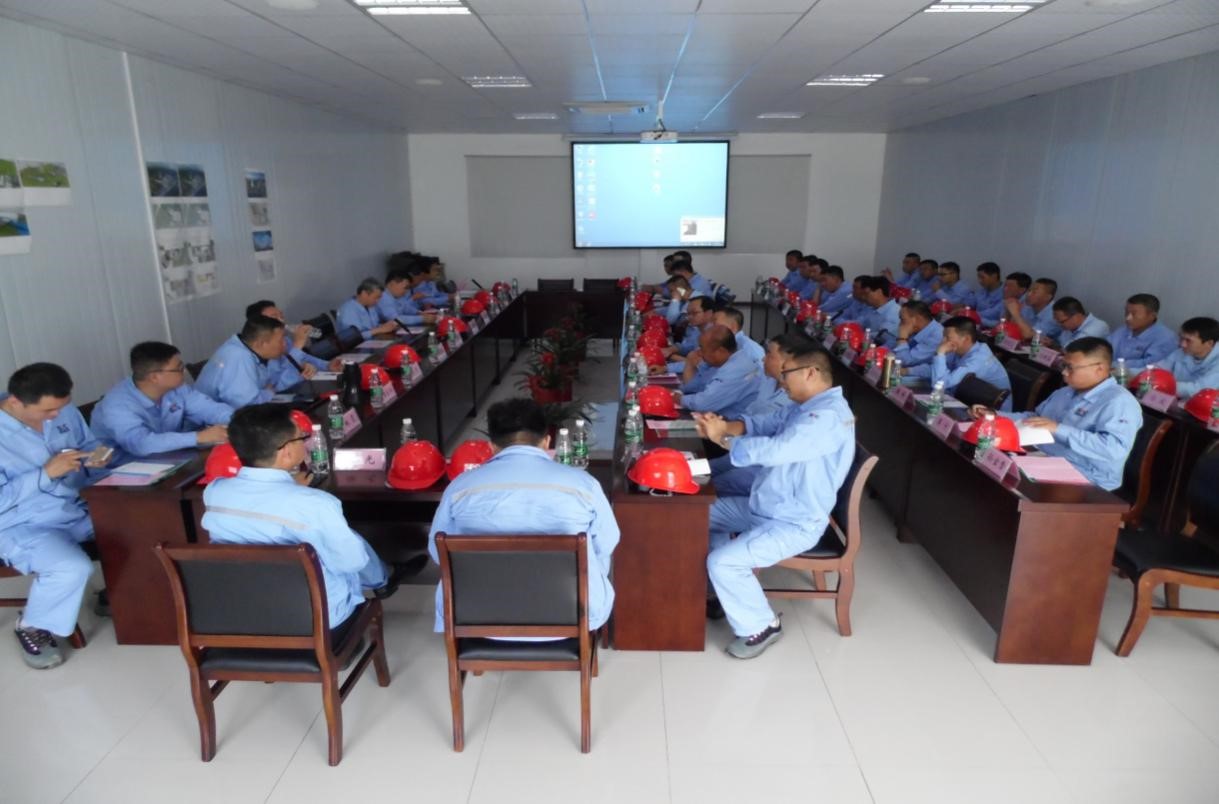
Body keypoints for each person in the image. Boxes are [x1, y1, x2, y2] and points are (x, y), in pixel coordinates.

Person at [695, 344, 855, 659]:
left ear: (811, 373)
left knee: (723, 562)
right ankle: (719, 592)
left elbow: (777, 450)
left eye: (787, 374)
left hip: (794, 521)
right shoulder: (805, 407)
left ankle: (763, 626)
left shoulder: (827, 418)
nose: (782, 381)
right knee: (698, 515)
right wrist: (724, 426)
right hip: (767, 506)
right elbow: (763, 424)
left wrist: (723, 439)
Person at [202, 405, 405, 630]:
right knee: (345, 546)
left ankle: (382, 576)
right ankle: (381, 580)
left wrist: (290, 488)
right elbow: (352, 563)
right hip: (312, 618)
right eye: (302, 438)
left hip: (244, 612)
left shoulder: (215, 492)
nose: (305, 442)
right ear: (286, 451)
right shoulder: (316, 504)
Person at [427, 398, 618, 634]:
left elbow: (438, 552)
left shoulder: (459, 488)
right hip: (571, 618)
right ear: (547, 441)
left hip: (474, 619)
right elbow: (606, 544)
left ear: (492, 446)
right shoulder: (583, 486)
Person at [1, 363, 108, 669]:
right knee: (71, 568)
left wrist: (96, 457)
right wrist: (45, 474)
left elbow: (88, 444)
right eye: (48, 411)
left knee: (139, 525)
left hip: (74, 506)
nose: (56, 415)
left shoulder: (63, 410)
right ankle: (31, 625)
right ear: (15, 402)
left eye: (62, 407)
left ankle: (117, 595)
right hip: (20, 524)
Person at [993, 338, 1141, 491]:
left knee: (1010, 485)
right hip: (1047, 459)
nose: (1064, 372)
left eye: (1070, 367)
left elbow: (1113, 449)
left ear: (1099, 369)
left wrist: (1058, 429)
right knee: (994, 465)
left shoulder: (1119, 402)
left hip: (1089, 477)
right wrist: (994, 416)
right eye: (1063, 366)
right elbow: (1036, 419)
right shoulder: (1066, 392)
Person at [91, 342, 232, 456]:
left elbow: (211, 410)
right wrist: (199, 437)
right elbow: (140, 444)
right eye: (178, 369)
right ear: (154, 377)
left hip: (170, 458)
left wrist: (237, 420)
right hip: (123, 470)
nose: (184, 372)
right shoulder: (117, 404)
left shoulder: (177, 388)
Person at [709, 332, 803, 497]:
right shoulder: (767, 380)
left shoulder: (797, 398)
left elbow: (771, 444)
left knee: (712, 485)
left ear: (787, 361)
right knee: (704, 469)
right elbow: (752, 416)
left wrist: (724, 437)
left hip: (763, 465)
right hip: (742, 445)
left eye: (770, 355)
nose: (763, 359)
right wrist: (723, 425)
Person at [906, 316, 1012, 410]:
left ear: (966, 339)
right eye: (943, 337)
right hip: (966, 399)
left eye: (948, 337)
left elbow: (940, 385)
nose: (943, 342)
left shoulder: (978, 360)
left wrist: (940, 353)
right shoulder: (959, 349)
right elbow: (937, 369)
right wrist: (907, 371)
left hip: (992, 411)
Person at [195, 315, 288, 408]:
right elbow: (247, 405)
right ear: (262, 344)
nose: (285, 344)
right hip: (215, 416)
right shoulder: (239, 356)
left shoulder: (245, 349)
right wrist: (269, 393)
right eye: (281, 340)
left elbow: (269, 383)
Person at [246, 300, 342, 387]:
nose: (281, 320)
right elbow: (277, 386)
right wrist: (298, 345)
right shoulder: (262, 350)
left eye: (281, 316)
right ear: (260, 325)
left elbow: (305, 358)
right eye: (274, 317)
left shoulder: (286, 340)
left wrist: (327, 365)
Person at [677, 325, 762, 418]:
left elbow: (703, 403)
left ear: (720, 351)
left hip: (734, 422)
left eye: (702, 349)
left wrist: (678, 399)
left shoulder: (735, 370)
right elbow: (697, 386)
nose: (699, 353)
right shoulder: (726, 361)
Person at [1107, 293, 1178, 372]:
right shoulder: (1123, 330)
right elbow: (1105, 348)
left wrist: (1116, 365)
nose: (1128, 318)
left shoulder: (1165, 337)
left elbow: (1152, 365)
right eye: (1127, 312)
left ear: (1152, 316)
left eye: (1134, 314)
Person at [1160, 317, 1219, 399]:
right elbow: (1158, 368)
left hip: (1200, 404)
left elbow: (1200, 390)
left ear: (1209, 343)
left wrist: (1161, 383)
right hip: (1173, 399)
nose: (1182, 344)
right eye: (1181, 338)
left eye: (1188, 340)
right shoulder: (1182, 352)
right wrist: (1145, 375)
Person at [336, 278, 400, 340]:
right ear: (364, 294)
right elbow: (353, 337)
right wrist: (379, 330)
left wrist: (385, 326)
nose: (377, 301)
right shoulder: (348, 310)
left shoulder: (369, 306)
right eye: (376, 297)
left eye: (379, 298)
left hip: (373, 341)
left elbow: (372, 326)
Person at [1004, 277, 1061, 342]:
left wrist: (1015, 314)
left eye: (1034, 292)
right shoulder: (1027, 302)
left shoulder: (1053, 315)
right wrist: (1008, 310)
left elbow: (1028, 335)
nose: (1028, 294)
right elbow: (1008, 326)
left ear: (1047, 297)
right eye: (1029, 290)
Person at [892, 300, 944, 368]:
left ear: (918, 319)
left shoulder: (937, 336)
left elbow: (903, 361)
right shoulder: (916, 330)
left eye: (903, 320)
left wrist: (902, 337)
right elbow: (891, 346)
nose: (900, 324)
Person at [857, 276, 900, 346]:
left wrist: (858, 335)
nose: (864, 297)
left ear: (879, 292)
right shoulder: (872, 308)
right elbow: (859, 323)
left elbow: (881, 337)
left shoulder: (894, 312)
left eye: (867, 293)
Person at [969, 262, 1004, 327]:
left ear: (994, 276)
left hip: (995, 329)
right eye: (978, 277)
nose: (979, 281)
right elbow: (970, 303)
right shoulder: (981, 291)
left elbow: (994, 313)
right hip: (977, 326)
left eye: (982, 277)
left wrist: (972, 315)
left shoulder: (1005, 293)